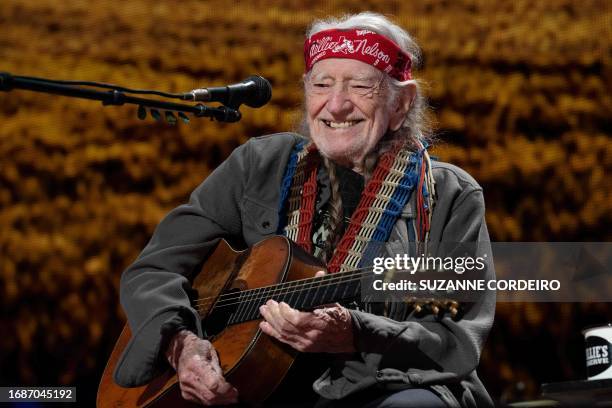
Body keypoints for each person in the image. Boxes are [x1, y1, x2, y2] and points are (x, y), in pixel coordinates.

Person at [113, 12, 496, 408]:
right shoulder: (257, 165)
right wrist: (182, 344)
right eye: (322, 84)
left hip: (381, 387)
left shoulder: (450, 195)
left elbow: (455, 339)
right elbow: (154, 270)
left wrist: (356, 333)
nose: (336, 105)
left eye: (361, 86)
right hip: (257, 386)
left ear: (401, 102)